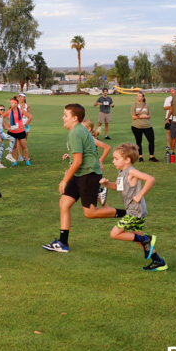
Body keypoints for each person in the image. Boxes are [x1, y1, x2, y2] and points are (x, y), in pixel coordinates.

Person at [43, 104, 126, 253]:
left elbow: (78, 161)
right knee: (64, 203)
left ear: (75, 118)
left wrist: (64, 180)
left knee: (90, 213)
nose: (63, 117)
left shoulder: (76, 133)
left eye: (65, 115)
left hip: (88, 174)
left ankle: (127, 214)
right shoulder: (78, 130)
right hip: (81, 173)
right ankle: (63, 243)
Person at [99, 143, 167, 271]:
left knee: (115, 234)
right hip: (133, 210)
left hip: (135, 211)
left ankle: (147, 238)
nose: (113, 161)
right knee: (140, 241)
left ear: (127, 160)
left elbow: (150, 179)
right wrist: (107, 184)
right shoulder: (122, 172)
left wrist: (140, 195)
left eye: (116, 158)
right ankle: (159, 261)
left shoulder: (132, 172)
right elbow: (117, 187)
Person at [130, 92, 158, 162]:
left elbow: (149, 116)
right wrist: (141, 116)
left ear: (143, 98)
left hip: (147, 126)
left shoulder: (147, 105)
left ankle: (151, 156)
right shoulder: (134, 105)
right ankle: (140, 157)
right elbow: (133, 117)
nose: (138, 97)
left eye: (140, 96)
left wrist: (146, 116)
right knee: (139, 142)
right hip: (136, 126)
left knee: (151, 140)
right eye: (137, 96)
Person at [5, 96, 32, 166]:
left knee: (24, 146)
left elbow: (30, 116)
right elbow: (1, 117)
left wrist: (25, 125)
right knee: (13, 147)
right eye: (10, 103)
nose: (11, 105)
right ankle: (15, 161)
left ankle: (27, 160)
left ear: (16, 104)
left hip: (20, 131)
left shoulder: (20, 111)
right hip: (12, 132)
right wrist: (7, 126)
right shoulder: (9, 111)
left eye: (12, 103)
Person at [0, 105, 14, 169]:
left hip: (0, 132)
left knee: (1, 148)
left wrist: (14, 128)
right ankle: (9, 154)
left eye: (3, 109)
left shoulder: (1, 117)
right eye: (1, 109)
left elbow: (5, 127)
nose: (3, 111)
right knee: (12, 138)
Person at [163, 87, 176, 152]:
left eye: (173, 90)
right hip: (169, 117)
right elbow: (165, 108)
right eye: (171, 91)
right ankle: (168, 145)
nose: (172, 92)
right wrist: (171, 106)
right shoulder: (168, 99)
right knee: (168, 132)